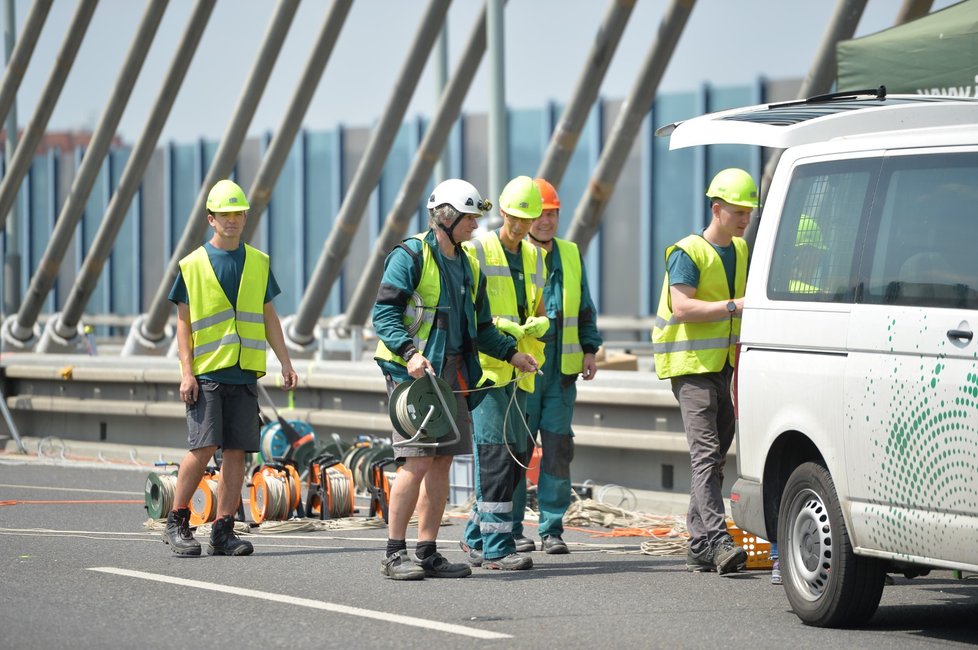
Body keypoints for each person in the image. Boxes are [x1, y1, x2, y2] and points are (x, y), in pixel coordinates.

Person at [372, 178, 538, 580]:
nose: (475, 226)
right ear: (446, 217)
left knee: (442, 462)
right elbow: (384, 315)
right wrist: (410, 354)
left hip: (453, 376)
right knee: (415, 461)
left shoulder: (469, 265)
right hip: (414, 377)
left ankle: (427, 550)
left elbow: (480, 329)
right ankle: (395, 553)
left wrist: (512, 354)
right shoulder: (410, 255)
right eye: (469, 218)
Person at [163, 179, 298, 557]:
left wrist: (285, 362)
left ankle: (223, 529)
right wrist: (185, 372)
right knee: (203, 447)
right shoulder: (192, 265)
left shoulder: (258, 261)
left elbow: (269, 316)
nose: (233, 220)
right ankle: (177, 520)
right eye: (225, 214)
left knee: (237, 451)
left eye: (238, 213)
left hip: (244, 372)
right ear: (211, 219)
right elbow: (184, 323)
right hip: (207, 372)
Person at [651, 167, 755, 575]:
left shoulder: (742, 250)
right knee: (707, 453)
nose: (745, 218)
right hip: (690, 363)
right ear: (717, 209)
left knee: (715, 457)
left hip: (725, 365)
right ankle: (717, 539)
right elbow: (683, 307)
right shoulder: (687, 251)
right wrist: (735, 306)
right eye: (737, 211)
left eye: (748, 211)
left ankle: (698, 542)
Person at [509, 177, 603, 555]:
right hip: (524, 370)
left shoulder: (569, 253)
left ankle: (551, 528)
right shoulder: (512, 254)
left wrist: (590, 348)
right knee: (517, 449)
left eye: (553, 214)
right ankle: (511, 527)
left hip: (561, 373)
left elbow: (584, 305)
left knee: (558, 449)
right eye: (540, 214)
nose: (546, 221)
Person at [459, 175, 548, 570]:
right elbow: (471, 315)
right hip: (489, 369)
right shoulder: (478, 250)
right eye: (515, 218)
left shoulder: (534, 257)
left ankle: (475, 535)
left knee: (515, 456)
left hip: (520, 367)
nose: (521, 226)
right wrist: (501, 328)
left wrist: (538, 326)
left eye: (527, 220)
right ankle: (496, 547)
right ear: (503, 213)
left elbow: (538, 308)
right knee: (494, 454)